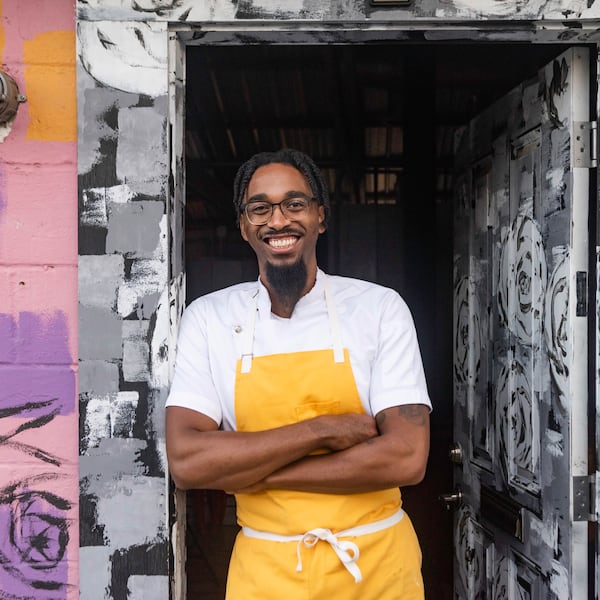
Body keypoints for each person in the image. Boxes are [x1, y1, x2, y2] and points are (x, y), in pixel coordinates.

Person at [165, 148, 431, 600]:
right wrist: (321, 429)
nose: (278, 220)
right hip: (266, 573)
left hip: (378, 568)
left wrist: (255, 474)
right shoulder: (209, 319)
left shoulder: (379, 308)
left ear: (320, 218)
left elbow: (406, 457)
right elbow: (188, 461)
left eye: (294, 203)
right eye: (260, 208)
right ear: (244, 226)